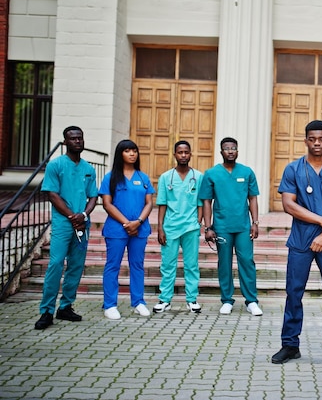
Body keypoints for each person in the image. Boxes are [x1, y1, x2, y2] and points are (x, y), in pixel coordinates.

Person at [271, 120, 322, 369]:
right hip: (300, 240)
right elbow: (289, 204)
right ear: (306, 140)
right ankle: (290, 345)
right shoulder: (294, 169)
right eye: (312, 138)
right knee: (293, 293)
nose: (317, 143)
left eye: (321, 139)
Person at [34, 126, 98, 330]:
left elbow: (93, 196)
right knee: (55, 264)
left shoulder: (89, 168)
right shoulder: (56, 165)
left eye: (80, 138)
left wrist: (84, 215)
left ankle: (66, 307)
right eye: (73, 139)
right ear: (65, 143)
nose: (78, 141)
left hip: (82, 226)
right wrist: (72, 216)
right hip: (63, 224)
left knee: (76, 266)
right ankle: (46, 311)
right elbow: (52, 194)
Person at [200, 137, 263, 316]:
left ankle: (251, 301)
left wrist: (255, 223)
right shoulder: (211, 174)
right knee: (225, 264)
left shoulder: (247, 172)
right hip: (222, 226)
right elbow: (206, 202)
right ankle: (227, 300)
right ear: (221, 152)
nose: (230, 151)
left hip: (243, 226)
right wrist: (208, 227)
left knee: (247, 262)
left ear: (237, 151)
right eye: (226, 148)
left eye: (233, 148)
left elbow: (253, 199)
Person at [99, 139, 155, 320]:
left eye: (134, 151)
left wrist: (137, 222)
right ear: (120, 154)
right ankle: (109, 305)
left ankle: (138, 302)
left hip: (139, 229)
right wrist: (127, 223)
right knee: (113, 266)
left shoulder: (143, 177)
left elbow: (149, 203)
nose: (132, 154)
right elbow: (107, 204)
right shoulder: (110, 178)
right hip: (116, 229)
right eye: (127, 151)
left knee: (137, 265)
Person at [153, 140, 204, 314]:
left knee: (191, 265)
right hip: (171, 227)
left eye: (186, 152)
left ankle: (192, 299)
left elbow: (201, 203)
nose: (183, 155)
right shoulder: (166, 177)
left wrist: (198, 221)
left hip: (191, 227)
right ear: (174, 154)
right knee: (168, 265)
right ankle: (164, 299)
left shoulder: (198, 176)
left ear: (190, 154)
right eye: (180, 152)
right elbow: (162, 204)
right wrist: (160, 228)